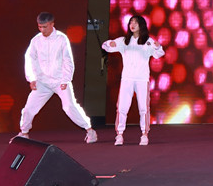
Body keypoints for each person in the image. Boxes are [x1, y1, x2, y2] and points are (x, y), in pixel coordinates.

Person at [18, 12, 97, 143]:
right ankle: (24, 133)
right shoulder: (36, 40)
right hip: (42, 82)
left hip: (59, 81)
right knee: (29, 108)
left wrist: (66, 79)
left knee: (69, 106)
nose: (42, 30)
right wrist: (32, 78)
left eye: (45, 27)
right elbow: (29, 59)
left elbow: (68, 60)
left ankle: (90, 130)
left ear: (52, 24)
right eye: (40, 27)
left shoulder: (61, 38)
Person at [102, 15, 165, 146]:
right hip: (127, 79)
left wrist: (158, 47)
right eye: (131, 22)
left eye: (136, 22)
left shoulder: (148, 41)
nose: (133, 24)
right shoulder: (124, 41)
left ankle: (144, 134)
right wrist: (109, 44)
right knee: (122, 107)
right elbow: (106, 46)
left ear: (141, 25)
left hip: (142, 79)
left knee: (143, 108)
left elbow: (159, 54)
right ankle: (119, 134)